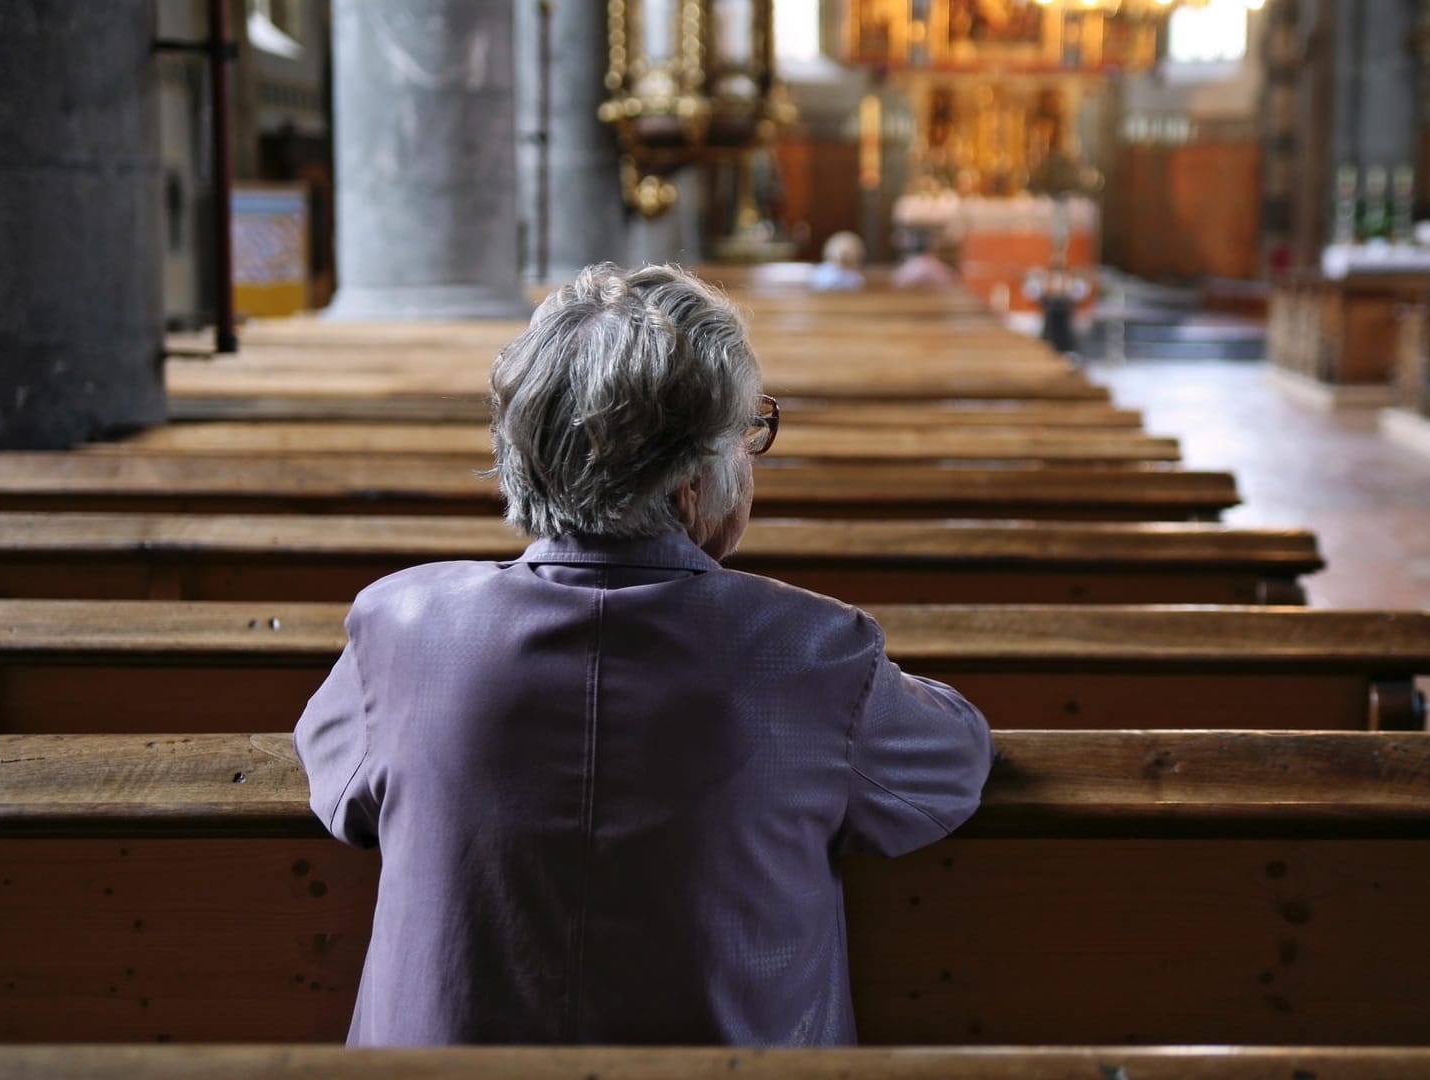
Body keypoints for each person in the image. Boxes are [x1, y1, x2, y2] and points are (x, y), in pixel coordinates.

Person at [295, 263, 992, 1046]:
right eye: (747, 434)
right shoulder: (813, 653)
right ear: (693, 482)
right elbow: (956, 760)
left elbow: (335, 783)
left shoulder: (400, 627)